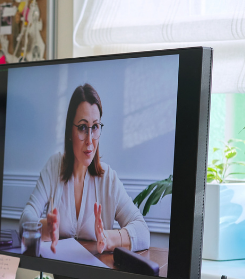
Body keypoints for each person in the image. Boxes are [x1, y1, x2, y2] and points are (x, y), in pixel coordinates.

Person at [19, 83, 149, 256]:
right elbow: (24, 220)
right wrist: (45, 228)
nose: (89, 140)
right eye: (82, 127)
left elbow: (143, 232)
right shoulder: (54, 166)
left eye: (95, 127)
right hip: (56, 273)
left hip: (94, 277)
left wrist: (108, 238)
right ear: (69, 132)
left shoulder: (109, 179)